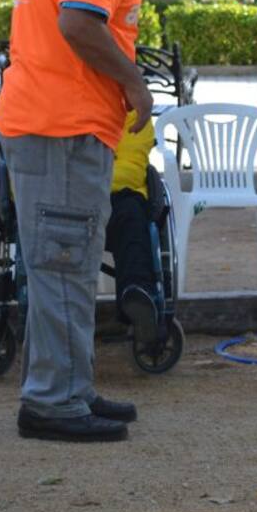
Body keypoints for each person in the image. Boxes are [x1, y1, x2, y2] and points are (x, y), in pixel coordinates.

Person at [0, 0, 176, 442]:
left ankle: (68, 388)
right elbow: (79, 23)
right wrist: (133, 82)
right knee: (63, 264)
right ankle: (53, 401)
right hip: (61, 124)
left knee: (64, 266)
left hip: (53, 121)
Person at [104, 110, 162, 341]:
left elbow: (131, 170)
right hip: (59, 198)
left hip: (112, 196)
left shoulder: (132, 108)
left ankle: (137, 296)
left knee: (132, 211)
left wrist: (84, 179)